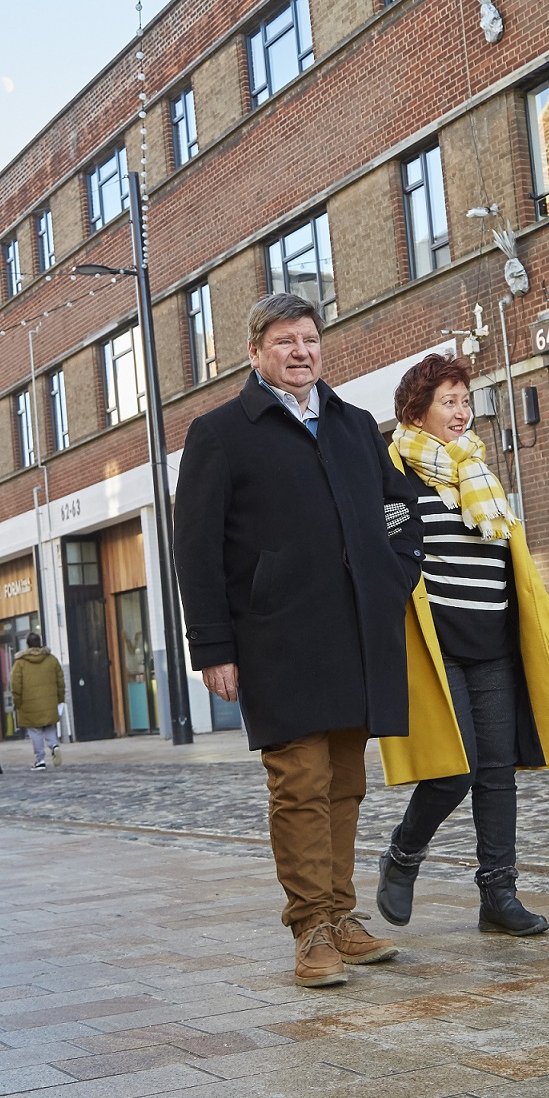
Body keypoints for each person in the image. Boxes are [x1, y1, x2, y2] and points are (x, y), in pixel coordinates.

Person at [175, 292, 425, 988]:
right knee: (300, 780)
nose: (300, 352)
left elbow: (403, 511)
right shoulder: (220, 433)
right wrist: (212, 646)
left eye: (310, 339)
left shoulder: (351, 424)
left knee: (345, 781)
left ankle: (343, 917)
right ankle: (310, 927)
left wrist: (391, 578)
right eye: (284, 341)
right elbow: (195, 552)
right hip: (274, 636)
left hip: (356, 631)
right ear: (256, 352)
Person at [374, 355, 549, 936]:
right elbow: (390, 557)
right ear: (417, 409)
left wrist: (548, 639)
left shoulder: (480, 473)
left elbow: (517, 564)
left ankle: (499, 893)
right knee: (454, 769)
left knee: (497, 772)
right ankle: (403, 853)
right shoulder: (393, 471)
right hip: (436, 649)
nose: (462, 412)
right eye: (449, 401)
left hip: (496, 641)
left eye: (465, 400)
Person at [10, 631, 66, 769]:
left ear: (27, 644)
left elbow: (15, 685)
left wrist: (17, 703)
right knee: (49, 727)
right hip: (49, 703)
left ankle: (40, 760)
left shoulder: (20, 663)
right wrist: (59, 699)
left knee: (35, 731)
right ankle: (54, 746)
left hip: (29, 705)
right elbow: (61, 682)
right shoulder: (52, 660)